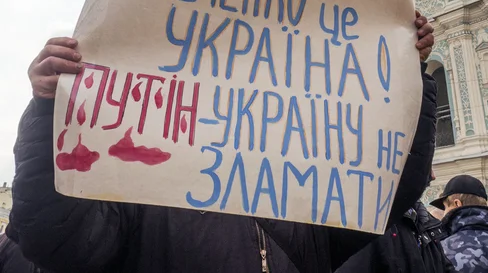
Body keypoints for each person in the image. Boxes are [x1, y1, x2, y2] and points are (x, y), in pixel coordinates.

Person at [8, 15, 435, 273]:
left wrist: (409, 74)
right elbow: (56, 240)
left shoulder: (297, 194)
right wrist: (49, 112)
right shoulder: (136, 187)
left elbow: (393, 182)